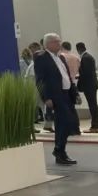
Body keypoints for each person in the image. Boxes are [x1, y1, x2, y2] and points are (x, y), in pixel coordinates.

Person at [33, 33, 78, 166]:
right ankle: (59, 151)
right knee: (64, 123)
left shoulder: (61, 57)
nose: (59, 43)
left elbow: (67, 77)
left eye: (59, 41)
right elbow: (40, 80)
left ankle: (60, 151)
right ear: (48, 44)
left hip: (66, 94)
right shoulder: (42, 58)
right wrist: (46, 97)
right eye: (56, 41)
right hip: (56, 95)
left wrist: (75, 93)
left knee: (67, 124)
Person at [76, 42, 98, 133]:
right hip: (91, 85)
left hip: (89, 85)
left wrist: (78, 78)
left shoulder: (85, 58)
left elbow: (85, 73)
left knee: (92, 105)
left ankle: (95, 126)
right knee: (93, 105)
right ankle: (95, 126)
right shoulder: (88, 57)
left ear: (78, 49)